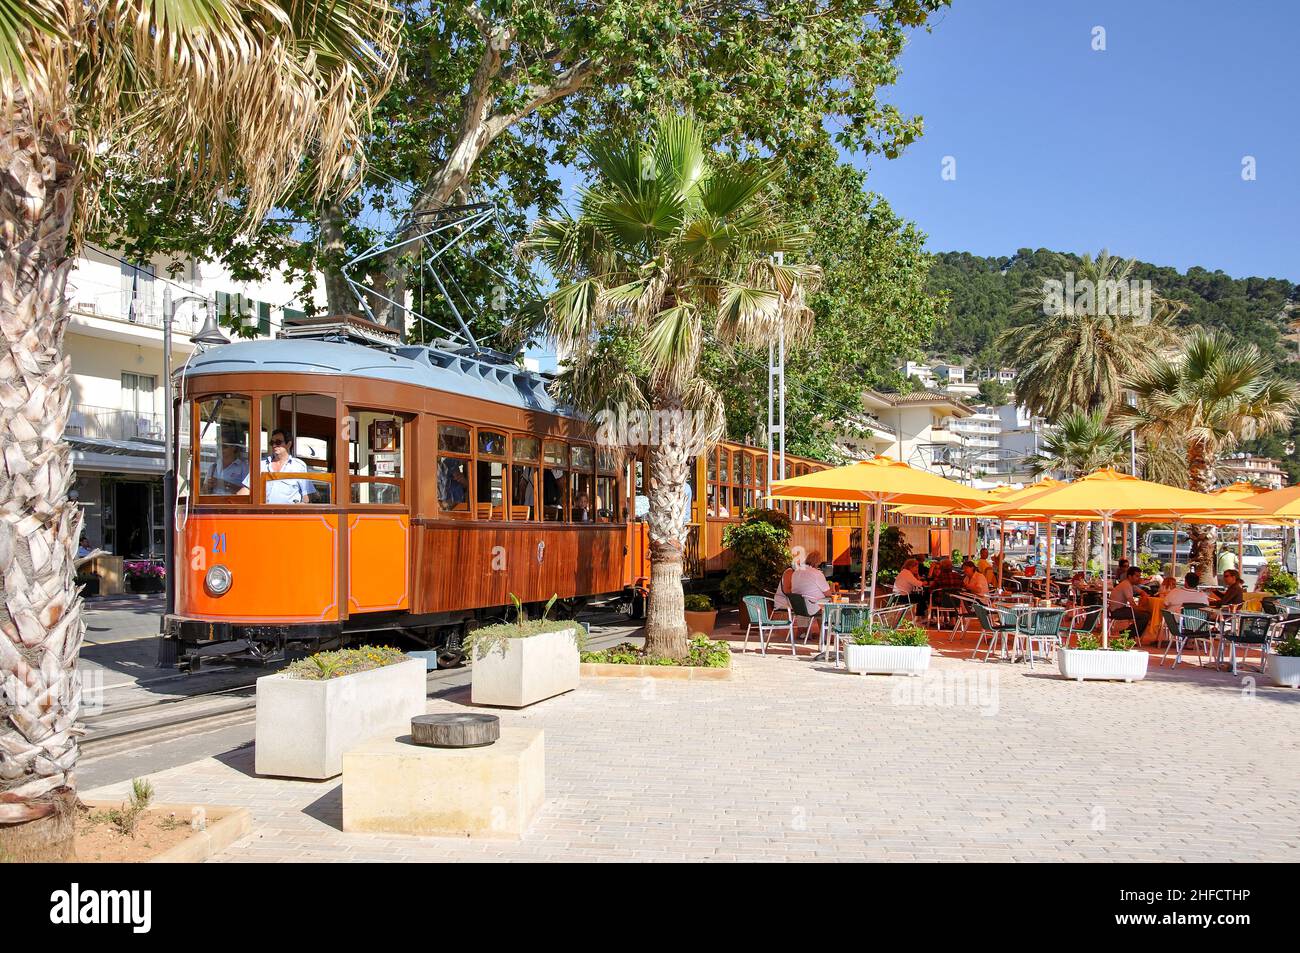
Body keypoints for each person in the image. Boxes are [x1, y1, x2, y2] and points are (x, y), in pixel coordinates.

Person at [246, 429, 315, 504]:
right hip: (263, 513)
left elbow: (307, 495)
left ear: (288, 444)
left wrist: (301, 507)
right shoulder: (260, 465)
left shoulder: (299, 466)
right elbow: (246, 489)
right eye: (272, 443)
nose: (274, 445)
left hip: (288, 514)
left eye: (278, 442)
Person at [774, 550, 831, 635]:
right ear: (817, 563)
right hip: (797, 604)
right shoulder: (816, 573)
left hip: (799, 605)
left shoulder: (796, 573)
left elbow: (794, 591)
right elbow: (828, 594)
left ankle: (804, 632)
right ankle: (827, 634)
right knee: (828, 604)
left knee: (803, 600)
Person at [1108, 566, 1150, 635]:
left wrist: (1144, 595)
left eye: (1139, 576)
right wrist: (1143, 608)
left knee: (1145, 614)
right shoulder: (1126, 585)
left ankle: (1128, 634)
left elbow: (1141, 592)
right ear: (1130, 576)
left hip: (1117, 609)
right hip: (1116, 611)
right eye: (1137, 576)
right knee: (1145, 616)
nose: (1139, 578)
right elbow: (1133, 604)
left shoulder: (1129, 584)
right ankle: (1126, 635)